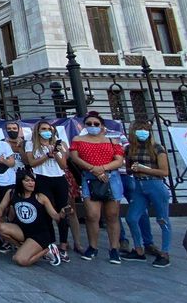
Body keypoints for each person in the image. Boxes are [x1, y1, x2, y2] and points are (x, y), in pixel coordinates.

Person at [70, 111, 125, 264]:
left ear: (102, 126)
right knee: (92, 215)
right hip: (89, 176)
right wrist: (94, 169)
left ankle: (114, 248)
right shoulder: (78, 139)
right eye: (89, 124)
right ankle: (92, 246)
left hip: (111, 177)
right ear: (84, 126)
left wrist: (102, 168)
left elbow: (119, 160)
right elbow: (75, 157)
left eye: (96, 124)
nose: (92, 126)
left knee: (112, 215)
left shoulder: (112, 140)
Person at [122, 120, 172, 267]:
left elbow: (164, 172)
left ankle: (165, 252)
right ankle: (138, 249)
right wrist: (133, 168)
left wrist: (144, 169)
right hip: (138, 186)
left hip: (155, 184)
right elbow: (128, 169)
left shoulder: (157, 148)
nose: (142, 132)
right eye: (139, 129)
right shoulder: (129, 149)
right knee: (131, 218)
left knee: (162, 219)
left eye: (145, 129)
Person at [0, 168, 65, 266]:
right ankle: (21, 248)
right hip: (21, 230)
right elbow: (1, 207)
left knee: (20, 260)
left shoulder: (40, 197)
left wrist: (62, 213)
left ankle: (48, 250)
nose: (31, 183)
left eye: (32, 181)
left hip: (39, 234)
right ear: (20, 182)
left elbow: (55, 216)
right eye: (27, 181)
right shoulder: (12, 193)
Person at [25, 120, 71, 261]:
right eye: (43, 128)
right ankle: (50, 244)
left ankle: (63, 245)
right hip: (42, 178)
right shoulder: (31, 144)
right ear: (38, 130)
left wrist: (55, 153)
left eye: (49, 129)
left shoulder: (60, 143)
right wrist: (46, 156)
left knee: (63, 211)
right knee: (46, 212)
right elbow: (31, 162)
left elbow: (63, 165)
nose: (47, 131)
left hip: (59, 179)